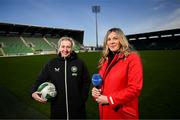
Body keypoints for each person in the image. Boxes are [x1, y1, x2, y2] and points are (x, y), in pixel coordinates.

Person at [31, 36, 90, 119]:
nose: (65, 50)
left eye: (68, 47)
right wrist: (33, 92)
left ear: (72, 48)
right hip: (57, 110)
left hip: (77, 111)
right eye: (63, 46)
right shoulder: (51, 63)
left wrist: (82, 99)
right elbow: (40, 79)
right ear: (59, 48)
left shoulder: (80, 63)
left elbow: (86, 82)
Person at [92, 28, 143, 119]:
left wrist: (109, 99)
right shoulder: (105, 60)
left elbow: (135, 88)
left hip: (122, 114)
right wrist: (96, 90)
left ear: (121, 40)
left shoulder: (132, 58)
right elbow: (102, 83)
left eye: (115, 38)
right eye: (109, 39)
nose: (111, 42)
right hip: (105, 113)